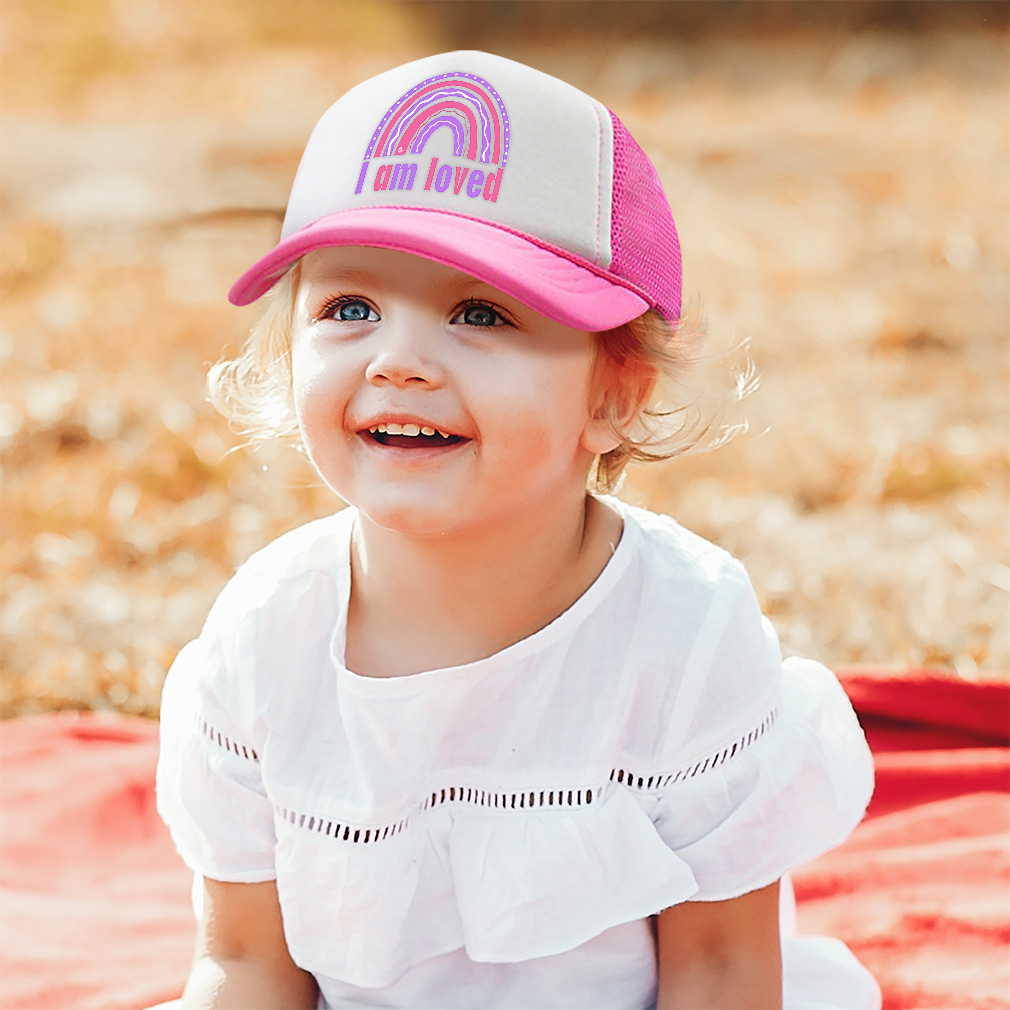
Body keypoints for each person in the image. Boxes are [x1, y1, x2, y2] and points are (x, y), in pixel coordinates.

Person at [155, 50, 881, 1010]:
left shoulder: (685, 631)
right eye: (350, 307)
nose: (400, 359)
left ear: (614, 393)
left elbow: (719, 969)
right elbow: (247, 965)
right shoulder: (263, 639)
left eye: (481, 311)